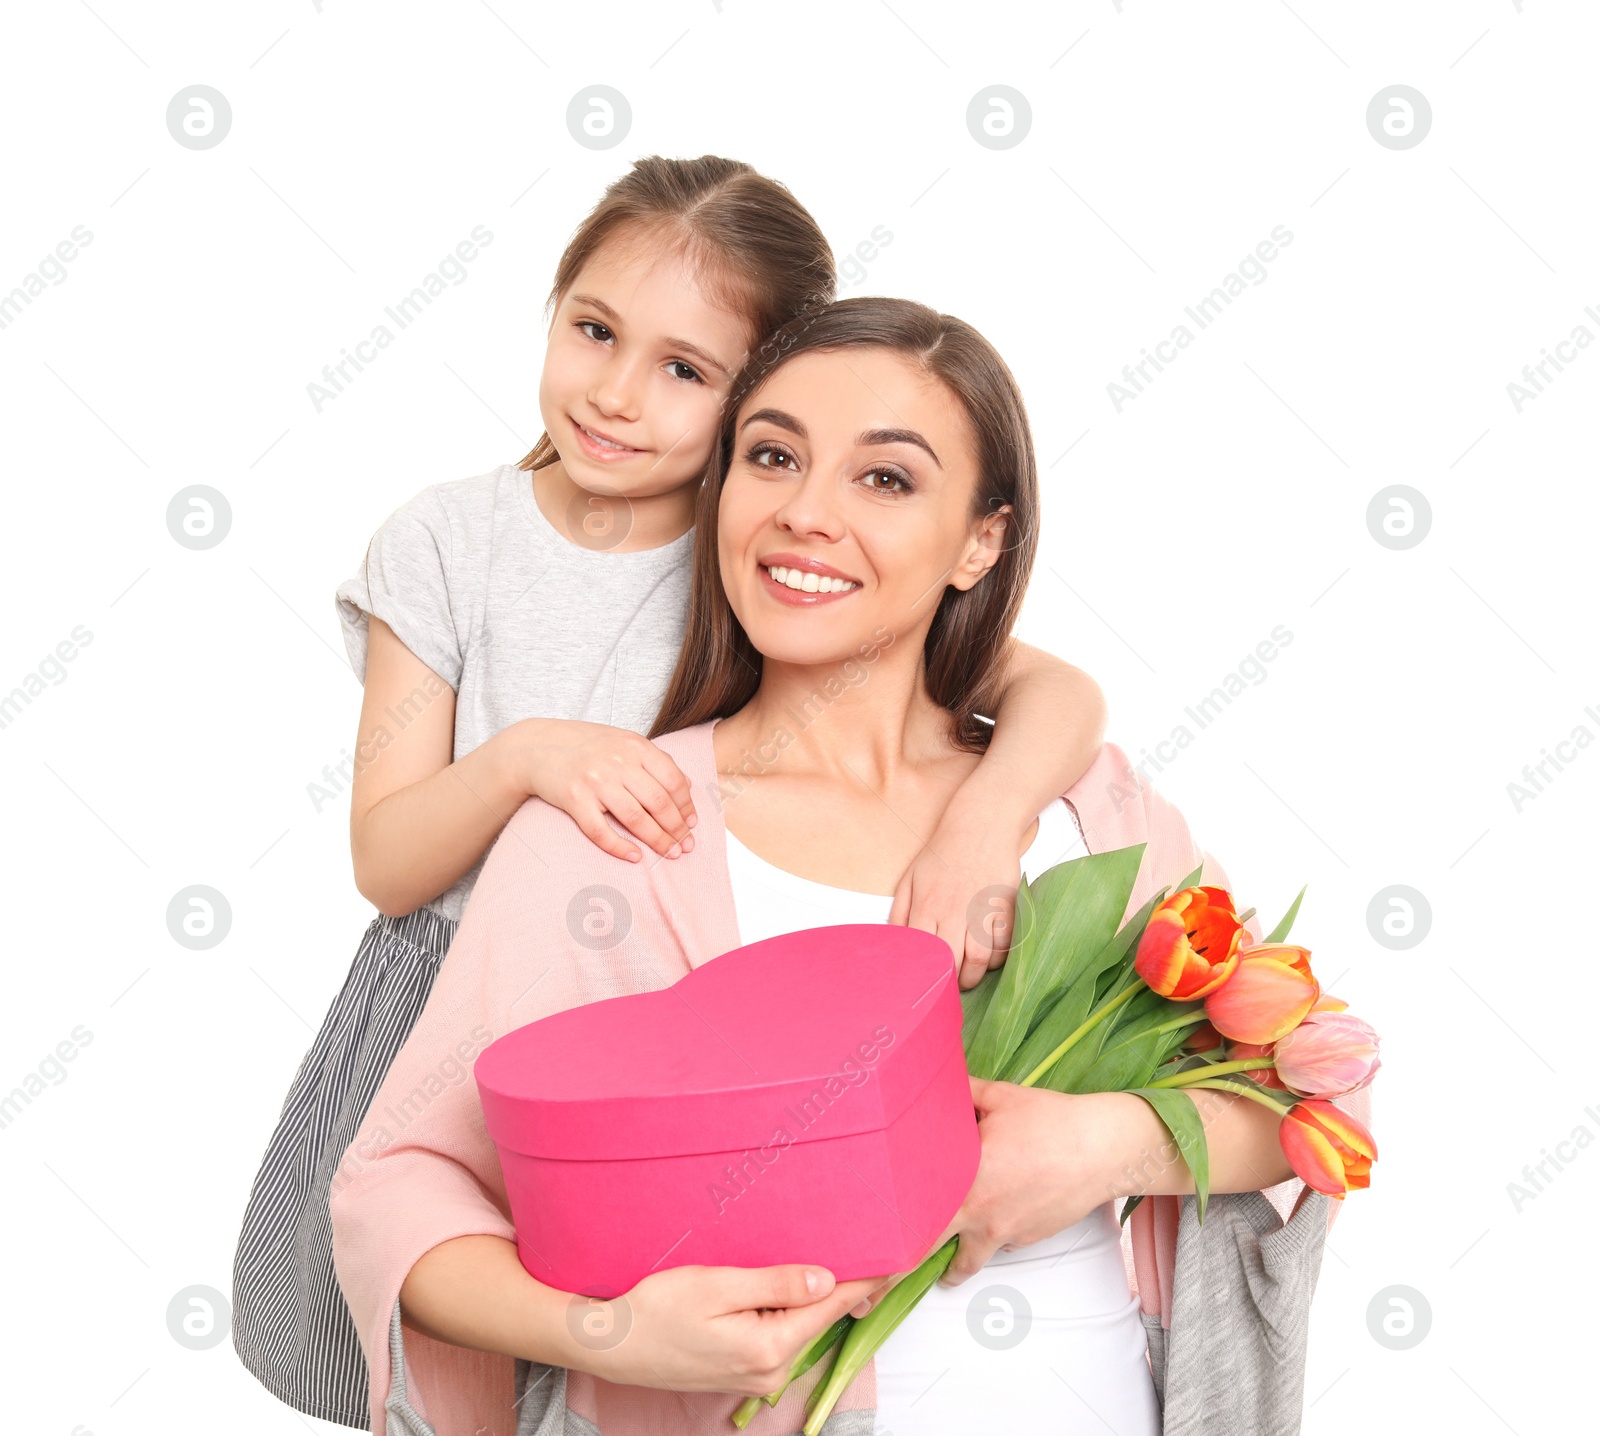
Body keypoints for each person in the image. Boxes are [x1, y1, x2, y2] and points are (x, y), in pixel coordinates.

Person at [331, 297, 1366, 1435]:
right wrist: (610, 1332)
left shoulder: (1081, 811)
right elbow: (394, 1187)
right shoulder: (616, 828)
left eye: (885, 479)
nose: (805, 513)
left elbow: (1318, 1090)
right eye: (771, 456)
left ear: (982, 539)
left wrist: (1104, 1141)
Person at [233, 161, 1108, 1429]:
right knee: (448, 1344)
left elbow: (1048, 687)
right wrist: (531, 753)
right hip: (450, 1003)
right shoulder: (444, 540)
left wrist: (983, 819)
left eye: (687, 371)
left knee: (641, 1348)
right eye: (593, 329)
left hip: (665, 999)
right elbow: (385, 858)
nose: (616, 393)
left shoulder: (761, 532)